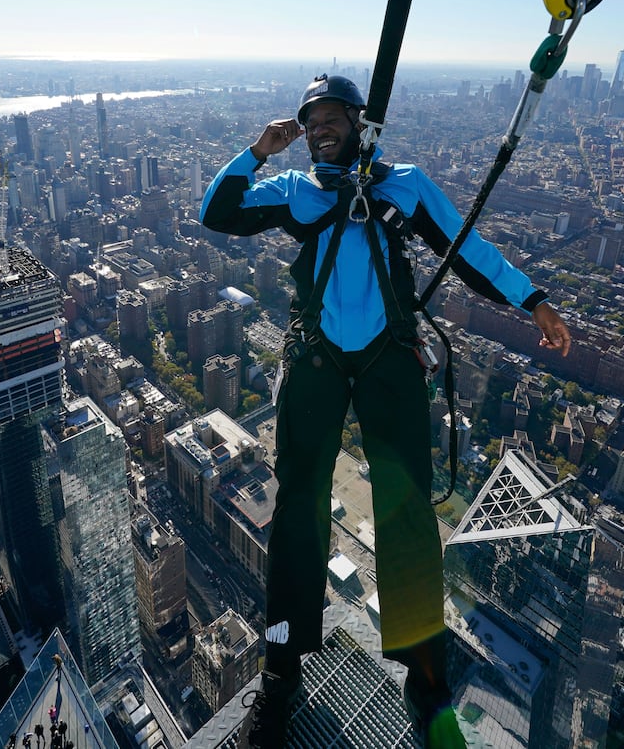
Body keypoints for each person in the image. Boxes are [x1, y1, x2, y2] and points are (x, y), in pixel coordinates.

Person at [201, 75, 571, 748]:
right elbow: (217, 213)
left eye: (331, 116)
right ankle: (281, 673)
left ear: (359, 122)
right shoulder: (296, 190)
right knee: (296, 514)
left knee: (407, 516)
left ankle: (426, 685)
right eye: (310, 119)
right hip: (315, 355)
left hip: (388, 357)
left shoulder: (405, 185)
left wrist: (533, 299)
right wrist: (256, 150)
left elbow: (466, 252)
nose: (318, 128)